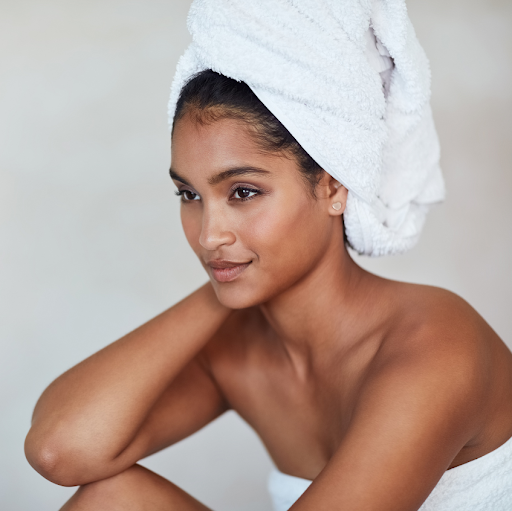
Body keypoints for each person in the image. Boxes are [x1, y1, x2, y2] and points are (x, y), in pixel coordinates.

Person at [25, 2, 512, 510]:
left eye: (242, 192)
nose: (209, 234)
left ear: (331, 186)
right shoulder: (239, 351)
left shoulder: (437, 344)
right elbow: (59, 449)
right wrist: (226, 283)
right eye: (189, 195)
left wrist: (237, 269)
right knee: (109, 500)